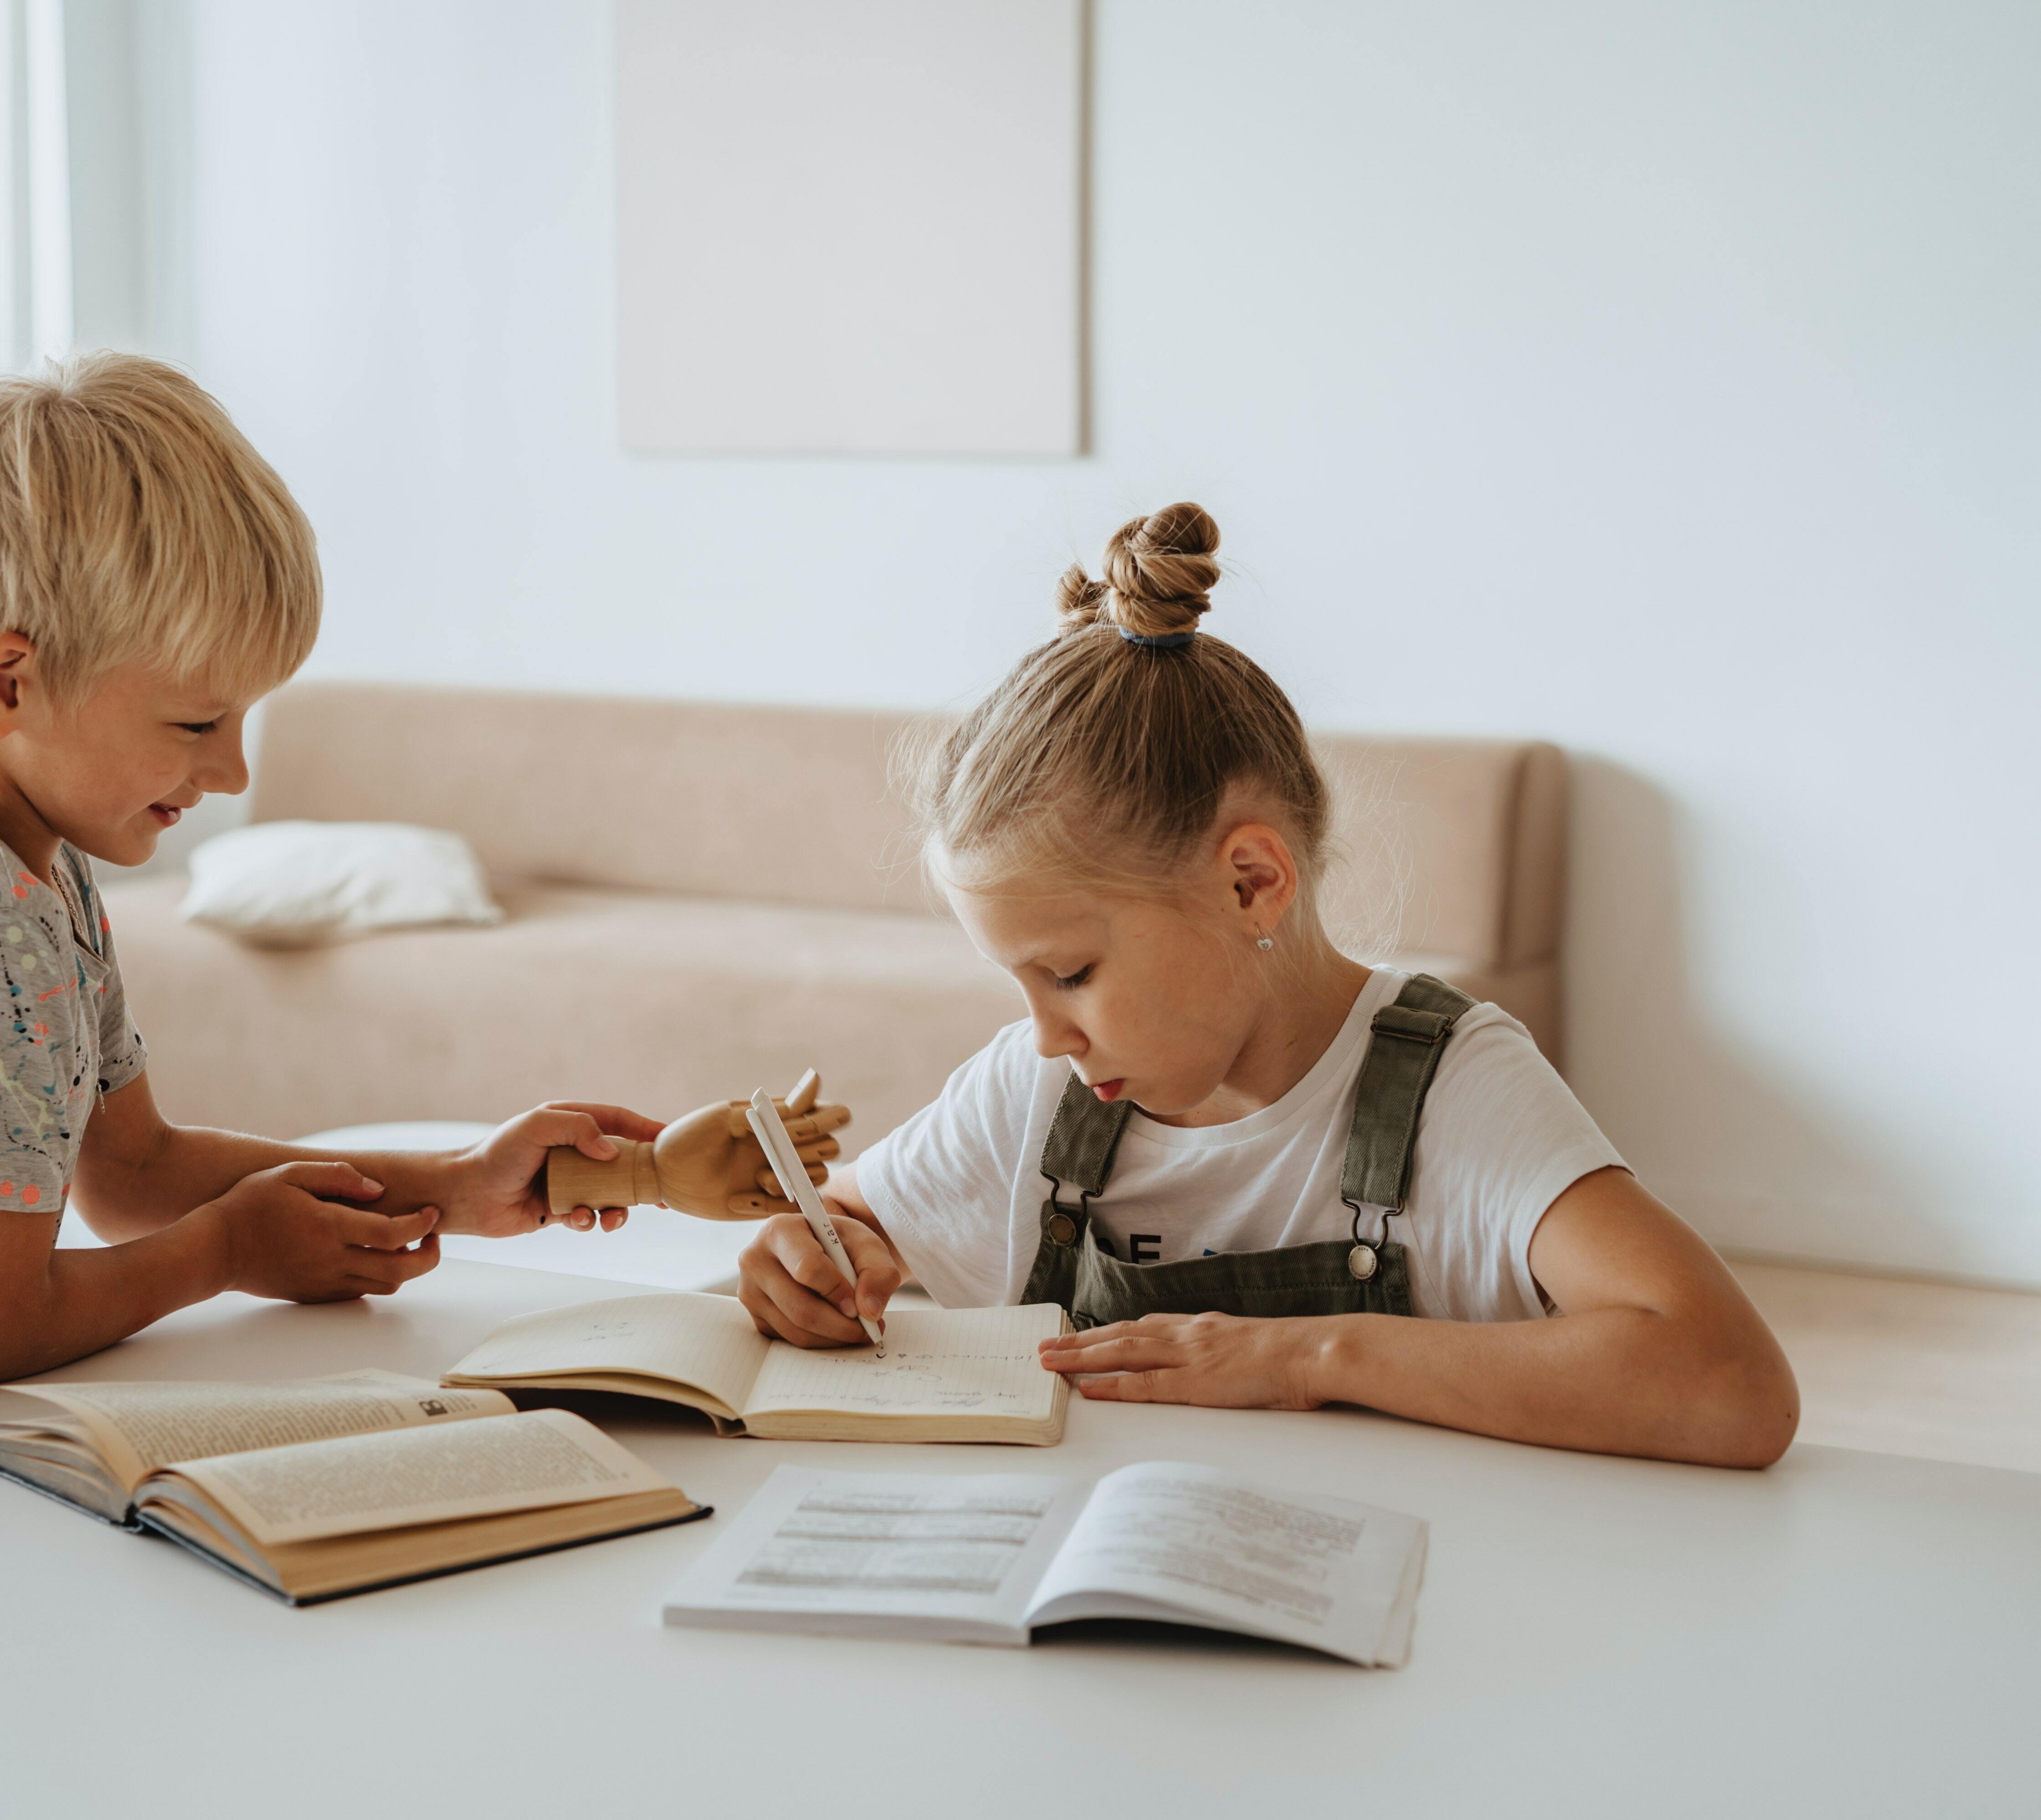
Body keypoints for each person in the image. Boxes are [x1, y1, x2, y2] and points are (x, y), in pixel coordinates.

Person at [0, 353, 656, 1447]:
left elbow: (133, 1169)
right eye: (196, 725)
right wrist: (224, 1252)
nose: (234, 772)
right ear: (7, 684)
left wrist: (460, 1186)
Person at [733, 503, 1799, 1469]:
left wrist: (1312, 1355)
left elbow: (1732, 1385)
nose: (1046, 1033)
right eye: (1020, 982)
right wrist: (818, 1257)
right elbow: (851, 1217)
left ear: (1252, 882)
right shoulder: (1038, 1091)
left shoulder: (1453, 1091)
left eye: (1072, 973)